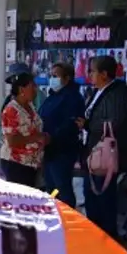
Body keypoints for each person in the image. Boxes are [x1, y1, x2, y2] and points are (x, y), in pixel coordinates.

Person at [77, 55, 127, 239]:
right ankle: (95, 237)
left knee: (104, 200)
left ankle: (107, 240)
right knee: (91, 198)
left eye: (92, 71)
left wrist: (88, 124)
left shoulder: (118, 92)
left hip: (106, 156)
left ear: (104, 74)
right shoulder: (96, 92)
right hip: (92, 154)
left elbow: (114, 122)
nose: (89, 75)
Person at [38, 62, 83, 207]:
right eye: (51, 75)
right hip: (49, 151)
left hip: (63, 151)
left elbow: (70, 124)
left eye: (55, 76)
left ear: (67, 78)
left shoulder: (73, 98)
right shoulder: (52, 96)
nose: (52, 79)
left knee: (63, 189)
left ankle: (69, 222)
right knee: (52, 189)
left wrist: (52, 137)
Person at [0, 73, 46, 187]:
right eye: (32, 86)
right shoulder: (11, 109)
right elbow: (12, 141)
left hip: (31, 164)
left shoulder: (30, 106)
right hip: (16, 164)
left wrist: (44, 137)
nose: (36, 89)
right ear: (22, 89)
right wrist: (37, 138)